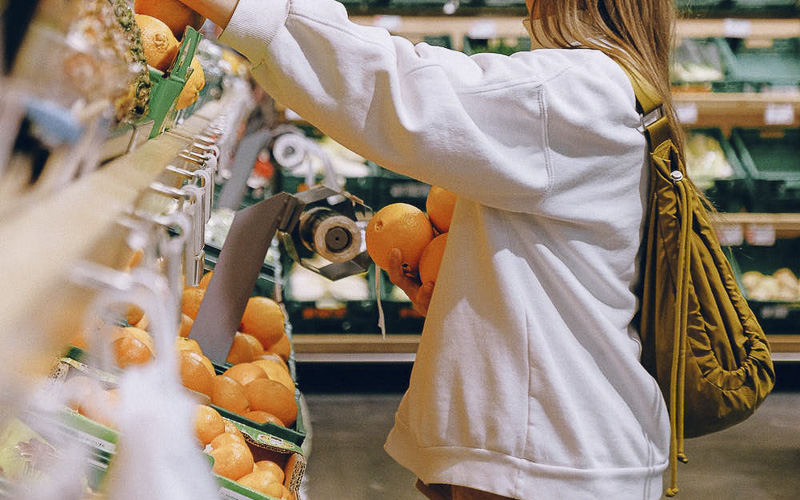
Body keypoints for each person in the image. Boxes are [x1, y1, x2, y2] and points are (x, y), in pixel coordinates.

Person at [179, 0, 686, 498]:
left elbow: (405, 89)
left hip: (553, 450)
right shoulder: (615, 86)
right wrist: (462, 282)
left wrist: (252, 12)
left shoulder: (575, 90)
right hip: (554, 442)